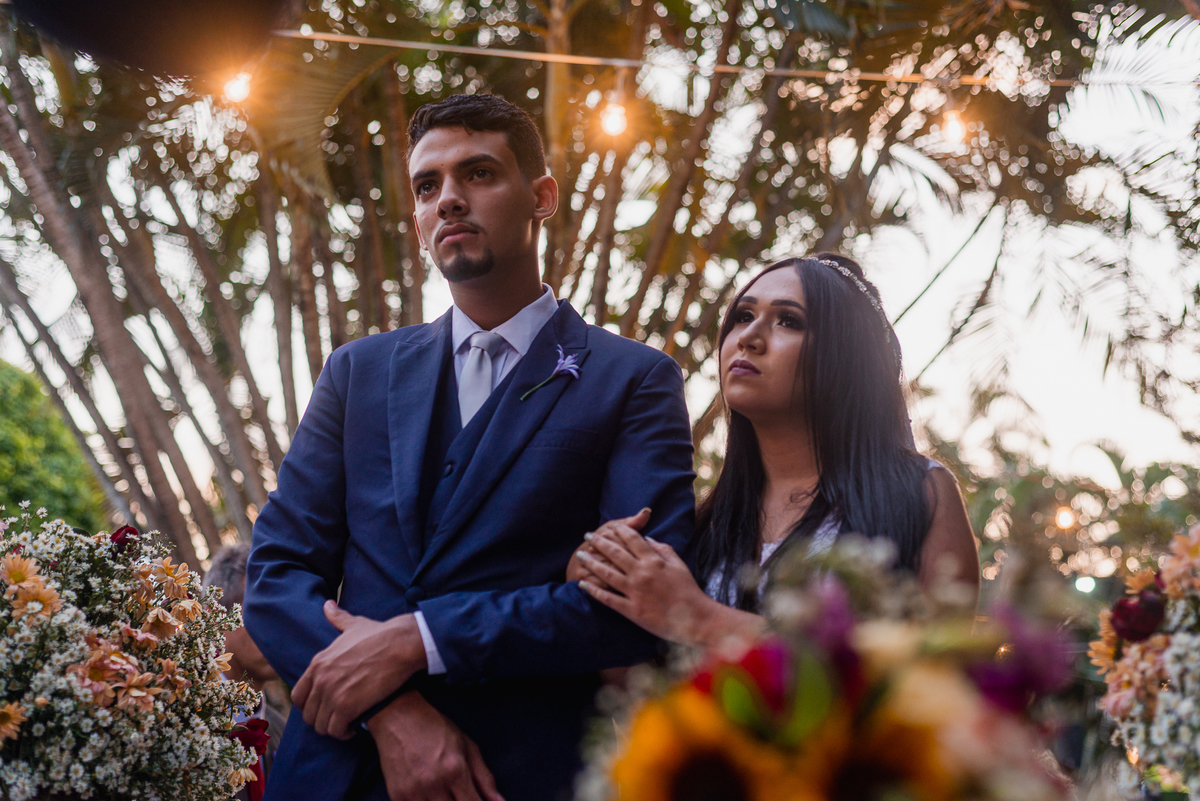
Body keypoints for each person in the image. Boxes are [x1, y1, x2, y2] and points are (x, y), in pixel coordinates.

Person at [243, 93, 696, 801]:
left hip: (512, 777)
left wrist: (421, 639)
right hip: (332, 773)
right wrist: (387, 709)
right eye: (428, 186)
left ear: (541, 196)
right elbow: (275, 576)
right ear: (419, 220)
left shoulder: (633, 379)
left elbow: (634, 607)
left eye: (478, 173)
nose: (449, 198)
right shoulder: (357, 372)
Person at [568, 254, 980, 649]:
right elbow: (645, 680)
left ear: (846, 355)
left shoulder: (922, 493)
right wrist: (594, 579)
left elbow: (940, 676)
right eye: (743, 316)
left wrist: (699, 617)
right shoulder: (703, 526)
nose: (748, 337)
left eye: (789, 321)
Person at [203, 543, 289, 798]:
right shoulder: (181, 721)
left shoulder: (283, 732)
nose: (281, 627)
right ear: (217, 616)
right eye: (262, 609)